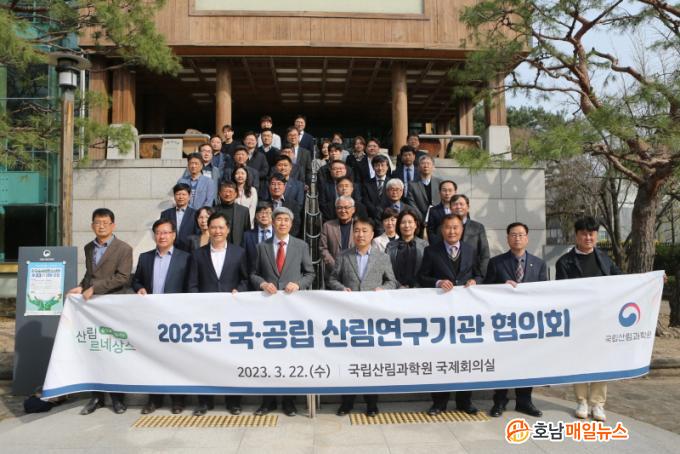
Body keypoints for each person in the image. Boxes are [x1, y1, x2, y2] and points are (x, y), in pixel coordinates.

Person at [328, 217, 398, 417]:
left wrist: (382, 289)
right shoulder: (343, 256)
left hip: (372, 318)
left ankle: (371, 403)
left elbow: (392, 282)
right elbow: (332, 279)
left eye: (364, 231)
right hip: (349, 318)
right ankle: (346, 402)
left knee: (370, 361)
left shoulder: (382, 257)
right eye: (357, 230)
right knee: (348, 360)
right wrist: (341, 288)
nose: (360, 234)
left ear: (372, 234)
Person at [555, 216, 623, 422]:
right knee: (580, 361)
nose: (588, 238)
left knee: (601, 362)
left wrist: (651, 280)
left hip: (602, 320)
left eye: (592, 234)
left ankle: (598, 404)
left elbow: (624, 281)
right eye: (584, 234)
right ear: (576, 236)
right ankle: (582, 401)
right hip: (578, 321)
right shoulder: (564, 262)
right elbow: (561, 293)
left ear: (596, 235)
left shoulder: (604, 259)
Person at [251, 207, 315, 417]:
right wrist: (262, 284)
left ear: (291, 223)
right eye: (278, 219)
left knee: (290, 356)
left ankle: (289, 401)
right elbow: (253, 274)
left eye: (286, 220)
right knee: (267, 355)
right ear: (272, 222)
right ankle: (267, 401)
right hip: (268, 309)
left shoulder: (301, 245)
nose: (282, 223)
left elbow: (310, 273)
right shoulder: (261, 247)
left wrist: (298, 284)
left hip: (292, 309)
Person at [68, 208, 133, 415]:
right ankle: (97, 397)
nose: (101, 226)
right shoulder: (89, 247)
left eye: (105, 222)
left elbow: (123, 277)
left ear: (113, 225)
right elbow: (90, 274)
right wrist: (81, 286)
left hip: (113, 306)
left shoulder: (124, 248)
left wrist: (95, 288)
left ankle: (117, 397)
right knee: (95, 350)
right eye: (97, 222)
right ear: (92, 225)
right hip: (92, 309)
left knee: (114, 350)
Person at [418, 214, 483, 416]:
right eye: (448, 227)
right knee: (441, 356)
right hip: (441, 314)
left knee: (465, 357)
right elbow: (421, 276)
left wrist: (475, 281)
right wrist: (437, 282)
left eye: (455, 227)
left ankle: (465, 401)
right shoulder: (431, 251)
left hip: (465, 314)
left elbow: (480, 274)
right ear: (442, 230)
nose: (452, 231)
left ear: (462, 230)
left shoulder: (471, 250)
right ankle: (439, 402)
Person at [188, 212, 249, 416]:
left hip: (232, 316)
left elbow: (245, 279)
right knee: (205, 359)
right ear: (208, 229)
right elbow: (192, 284)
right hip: (206, 317)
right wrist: (199, 305)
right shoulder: (198, 254)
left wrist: (239, 291)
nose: (217, 231)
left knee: (232, 359)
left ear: (228, 229)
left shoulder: (239, 253)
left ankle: (234, 401)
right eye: (213, 227)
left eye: (221, 227)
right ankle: (205, 401)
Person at [485, 222, 548, 418]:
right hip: (504, 322)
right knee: (503, 361)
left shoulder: (539, 264)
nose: (517, 238)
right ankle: (500, 400)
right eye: (513, 234)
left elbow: (545, 293)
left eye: (521, 234)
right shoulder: (496, 263)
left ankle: (524, 401)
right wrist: (501, 287)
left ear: (527, 238)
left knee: (527, 361)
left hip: (529, 323)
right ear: (507, 238)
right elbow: (486, 290)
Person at [132, 218, 191, 415]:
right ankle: (154, 399)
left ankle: (178, 399)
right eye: (158, 232)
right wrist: (139, 288)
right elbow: (136, 280)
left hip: (175, 318)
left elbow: (190, 286)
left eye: (166, 232)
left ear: (174, 235)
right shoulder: (145, 258)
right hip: (152, 317)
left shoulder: (185, 258)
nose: (162, 236)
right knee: (153, 358)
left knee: (176, 359)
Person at [450, 194, 490, 279]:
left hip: (472, 276)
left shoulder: (478, 227)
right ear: (450, 208)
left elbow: (484, 254)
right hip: (449, 277)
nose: (458, 207)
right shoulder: (442, 227)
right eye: (455, 204)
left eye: (461, 204)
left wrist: (480, 276)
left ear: (468, 207)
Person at [386, 209, 428, 288]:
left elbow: (427, 272)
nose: (407, 225)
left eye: (410, 222)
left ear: (415, 224)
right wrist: (398, 286)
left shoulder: (424, 245)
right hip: (395, 290)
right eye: (403, 222)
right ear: (398, 225)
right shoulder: (390, 246)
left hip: (419, 290)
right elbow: (387, 271)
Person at [320, 196, 356, 275]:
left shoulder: (359, 226)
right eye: (339, 208)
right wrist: (335, 266)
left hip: (355, 271)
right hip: (333, 272)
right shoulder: (328, 226)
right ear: (336, 210)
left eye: (346, 207)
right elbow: (323, 249)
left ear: (353, 210)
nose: (343, 210)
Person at [160, 183, 197, 252]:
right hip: (170, 250)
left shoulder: (195, 214)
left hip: (189, 250)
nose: (181, 197)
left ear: (189, 196)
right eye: (178, 194)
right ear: (174, 196)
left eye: (183, 194)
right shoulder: (165, 214)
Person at [215, 181, 252, 247]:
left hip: (238, 248)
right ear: (220, 193)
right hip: (218, 246)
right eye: (225, 191)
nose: (227, 194)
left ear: (236, 194)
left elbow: (247, 232)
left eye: (230, 191)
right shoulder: (213, 210)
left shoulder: (244, 211)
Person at [241, 201, 274, 272]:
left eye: (267, 212)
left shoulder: (279, 234)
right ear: (256, 216)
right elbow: (243, 260)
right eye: (261, 212)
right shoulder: (247, 236)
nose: (264, 215)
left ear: (273, 215)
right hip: (253, 275)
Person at [361, 154, 391, 223]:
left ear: (387, 167)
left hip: (389, 217)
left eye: (382, 165)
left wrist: (385, 213)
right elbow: (366, 201)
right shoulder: (366, 183)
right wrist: (376, 212)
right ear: (373, 167)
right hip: (372, 218)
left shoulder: (392, 183)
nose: (380, 168)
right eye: (377, 165)